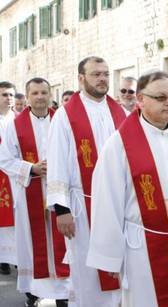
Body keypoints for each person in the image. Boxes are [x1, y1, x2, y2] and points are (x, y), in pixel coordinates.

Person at [86, 71, 168, 307]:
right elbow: (107, 203)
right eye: (160, 97)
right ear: (140, 99)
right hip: (141, 248)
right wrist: (111, 259)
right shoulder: (119, 144)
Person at [46, 56, 126, 306]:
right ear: (81, 79)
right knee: (87, 269)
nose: (102, 79)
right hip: (83, 205)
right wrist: (61, 209)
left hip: (118, 203)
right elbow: (57, 161)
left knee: (119, 263)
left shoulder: (119, 111)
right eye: (96, 74)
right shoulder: (65, 116)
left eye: (105, 73)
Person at [0, 78, 70, 307]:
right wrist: (32, 168)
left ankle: (64, 293)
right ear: (27, 96)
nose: (40, 97)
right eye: (35, 93)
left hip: (61, 192)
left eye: (44, 92)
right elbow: (4, 158)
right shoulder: (15, 124)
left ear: (50, 95)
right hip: (30, 191)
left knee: (63, 243)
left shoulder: (63, 119)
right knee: (34, 245)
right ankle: (34, 292)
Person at [0, 81, 17, 276]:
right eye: (4, 94)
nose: (9, 98)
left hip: (16, 175)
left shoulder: (19, 120)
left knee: (17, 217)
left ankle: (15, 258)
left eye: (11, 94)